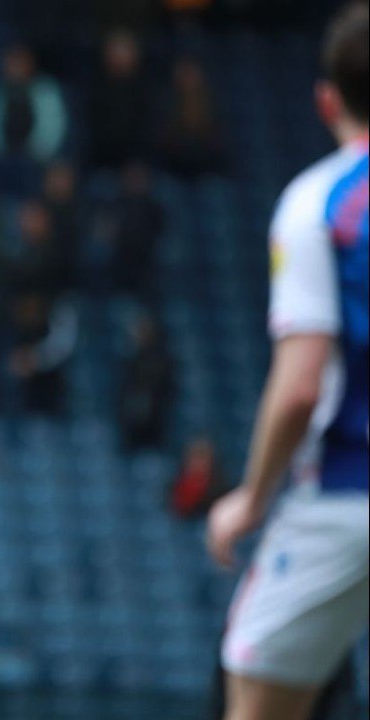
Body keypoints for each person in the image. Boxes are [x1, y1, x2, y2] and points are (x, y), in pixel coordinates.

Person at [205, 5, 369, 720]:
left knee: (261, 699)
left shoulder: (319, 204)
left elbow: (302, 385)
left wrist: (252, 498)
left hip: (346, 491)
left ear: (327, 99)